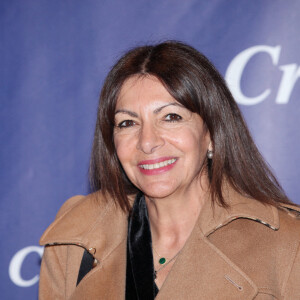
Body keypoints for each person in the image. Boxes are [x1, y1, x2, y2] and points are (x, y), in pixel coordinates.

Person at [39, 41, 300, 299]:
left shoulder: (287, 244)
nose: (148, 142)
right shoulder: (76, 238)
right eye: (128, 123)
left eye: (171, 117)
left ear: (211, 133)